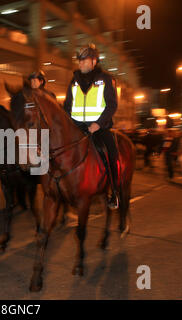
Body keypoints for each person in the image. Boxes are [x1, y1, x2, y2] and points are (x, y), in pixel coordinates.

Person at [63, 43, 119, 209]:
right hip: (77, 128)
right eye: (79, 61)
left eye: (85, 61)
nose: (81, 64)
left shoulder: (106, 79)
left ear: (94, 61)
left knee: (112, 153)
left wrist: (98, 124)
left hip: (99, 128)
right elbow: (67, 106)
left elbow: (112, 105)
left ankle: (114, 192)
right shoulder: (74, 81)